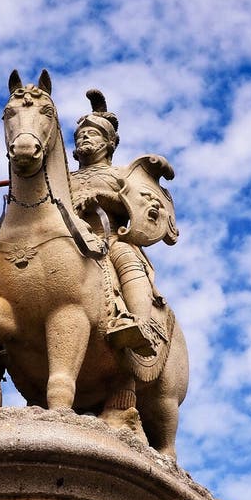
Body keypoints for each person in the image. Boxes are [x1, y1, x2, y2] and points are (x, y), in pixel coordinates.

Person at [71, 90, 177, 356]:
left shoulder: (120, 175)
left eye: (93, 134)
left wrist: (103, 196)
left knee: (124, 255)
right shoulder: (63, 177)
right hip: (67, 240)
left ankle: (141, 323)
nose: (84, 136)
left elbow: (140, 205)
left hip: (108, 239)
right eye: (80, 134)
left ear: (109, 143)